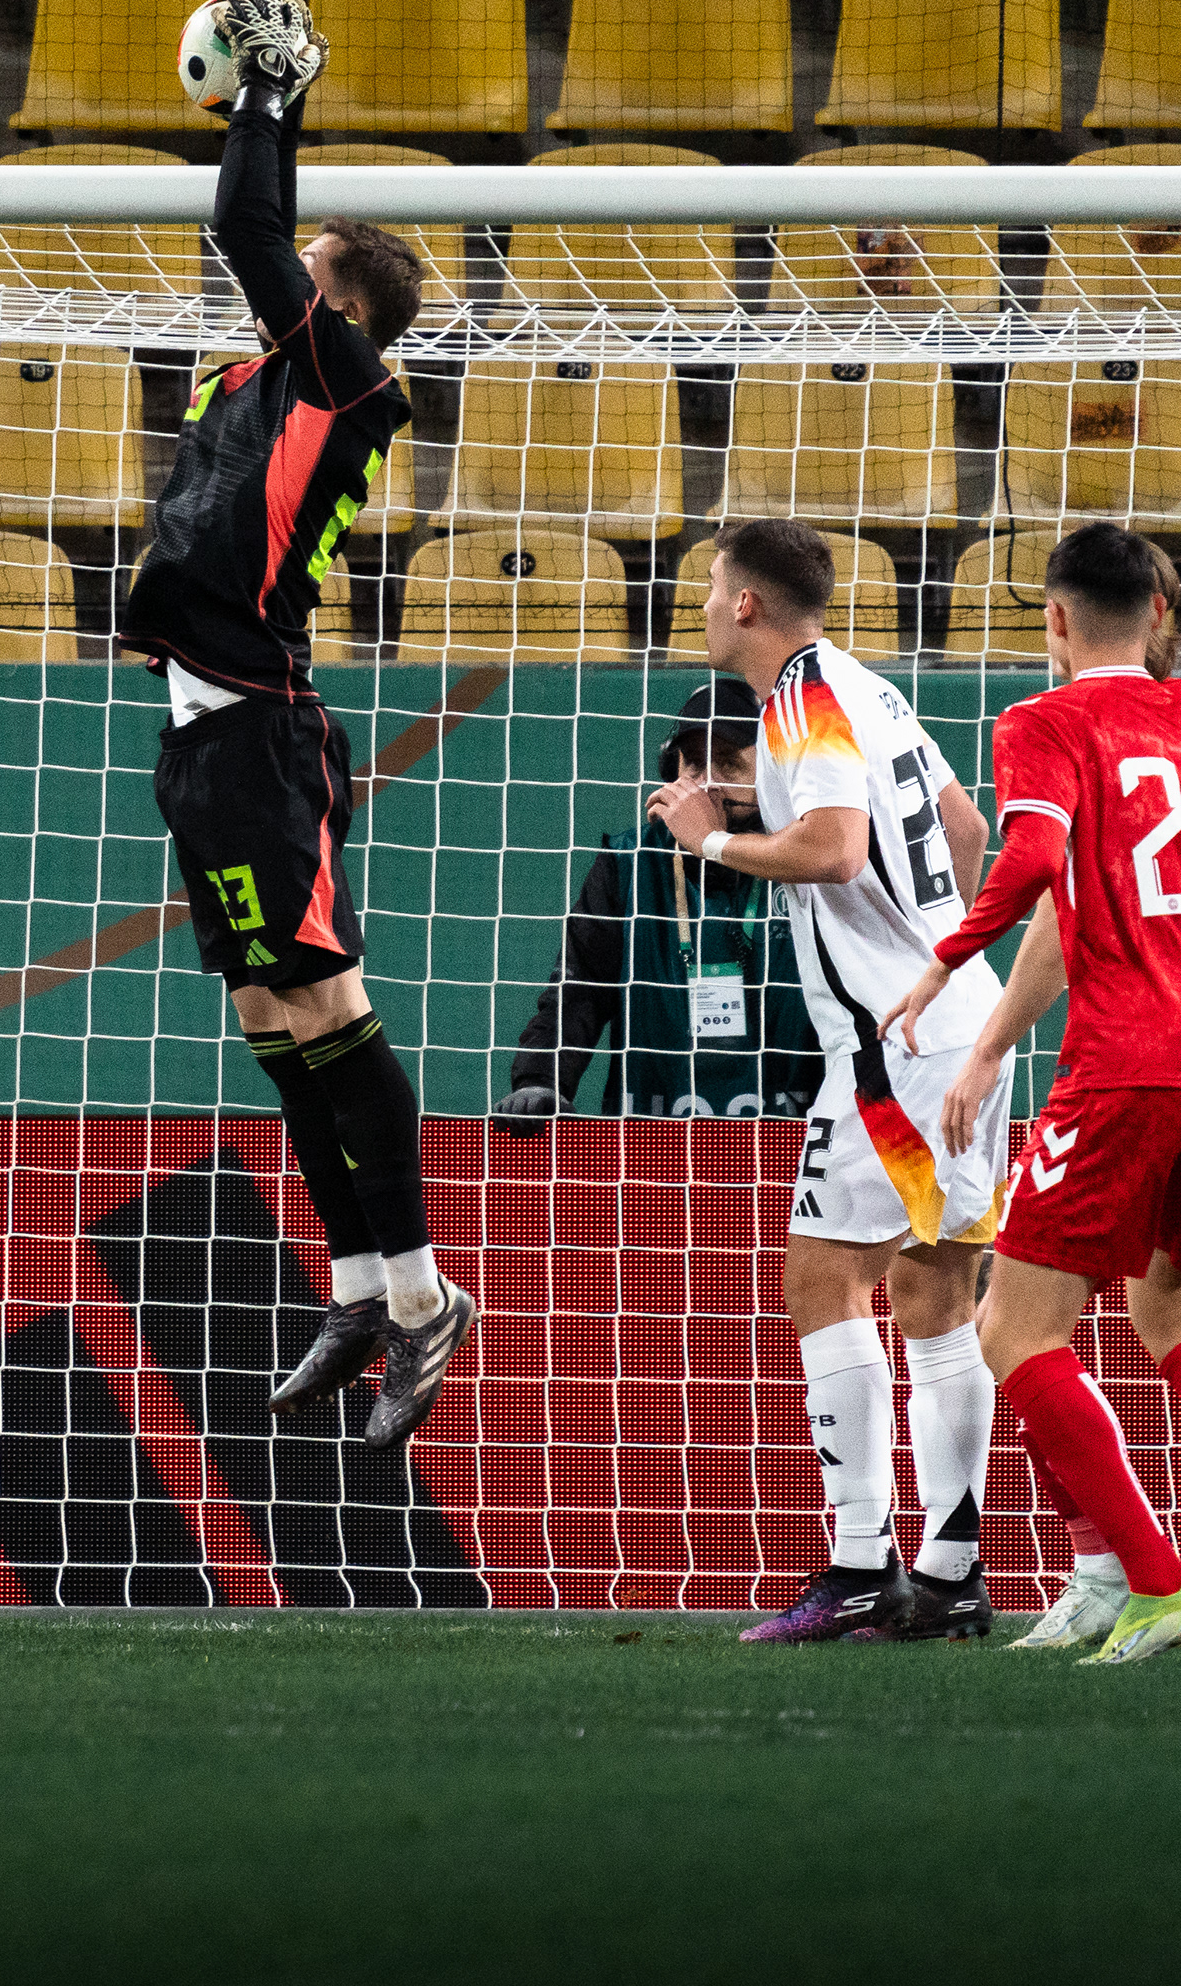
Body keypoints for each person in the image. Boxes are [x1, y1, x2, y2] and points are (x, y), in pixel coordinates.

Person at [121, 0, 475, 1452]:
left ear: (335, 309)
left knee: (330, 1008)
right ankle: (356, 1288)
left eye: (307, 280)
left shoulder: (347, 378)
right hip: (204, 732)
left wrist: (267, 98)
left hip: (266, 727)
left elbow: (252, 235)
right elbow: (267, 251)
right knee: (270, 1013)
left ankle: (425, 1297)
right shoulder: (275, 380)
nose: (275, 290)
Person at [647, 519, 1011, 1643]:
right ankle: (945, 1579)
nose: (704, 604)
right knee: (933, 1296)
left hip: (895, 1052)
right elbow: (963, 821)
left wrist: (712, 839)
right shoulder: (871, 687)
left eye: (712, 586)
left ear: (749, 604)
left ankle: (862, 1561)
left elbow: (839, 849)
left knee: (825, 1281)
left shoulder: (796, 703)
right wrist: (934, 939)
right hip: (961, 1018)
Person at [883, 522, 1181, 1665]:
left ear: (1052, 621)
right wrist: (995, 1046)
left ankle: (1152, 1579)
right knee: (1163, 1308)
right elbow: (1071, 909)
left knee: (1011, 1324)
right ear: (1158, 613)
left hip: (1126, 1067)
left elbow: (1026, 867)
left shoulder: (1045, 724)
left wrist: (945, 964)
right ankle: (1110, 1579)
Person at [493, 678, 822, 1128]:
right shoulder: (628, 864)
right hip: (652, 1146)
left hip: (792, 1140)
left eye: (727, 763)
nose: (705, 785)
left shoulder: (812, 859)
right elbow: (580, 989)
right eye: (692, 765)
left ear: (773, 774)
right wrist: (541, 1079)